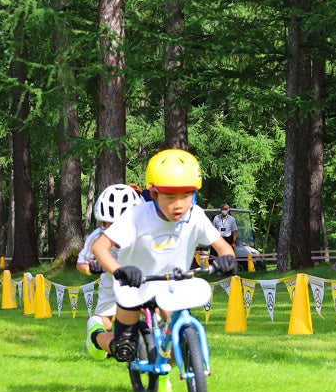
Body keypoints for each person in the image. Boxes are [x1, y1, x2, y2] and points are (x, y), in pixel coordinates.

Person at [86, 149, 237, 371]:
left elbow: (223, 246)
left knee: (179, 350)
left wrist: (227, 260)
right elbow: (100, 247)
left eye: (186, 196)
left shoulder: (195, 215)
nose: (179, 205)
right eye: (170, 197)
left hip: (172, 285)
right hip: (134, 286)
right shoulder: (136, 216)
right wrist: (119, 271)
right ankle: (96, 335)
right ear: (154, 194)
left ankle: (176, 357)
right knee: (124, 348)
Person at [80, 184, 143, 359]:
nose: (114, 230)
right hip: (111, 283)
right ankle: (95, 328)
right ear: (101, 222)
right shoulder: (97, 237)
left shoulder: (143, 233)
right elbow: (81, 264)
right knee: (107, 324)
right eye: (109, 224)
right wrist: (92, 270)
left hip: (142, 278)